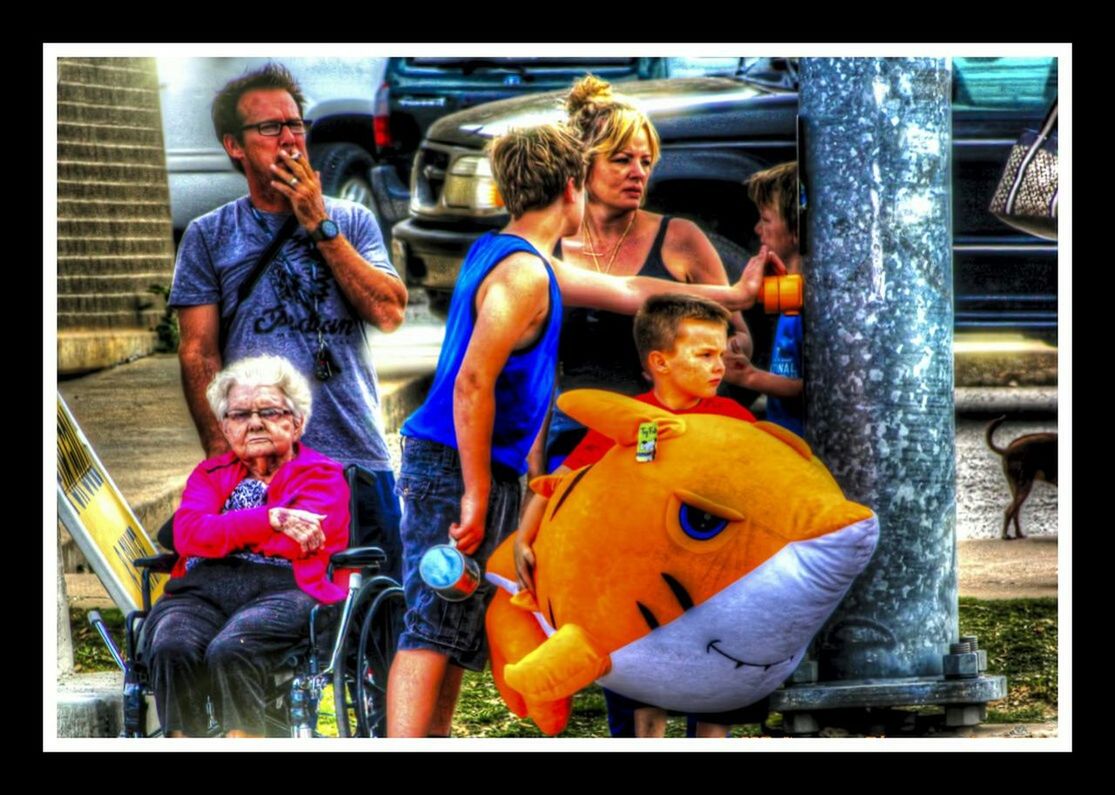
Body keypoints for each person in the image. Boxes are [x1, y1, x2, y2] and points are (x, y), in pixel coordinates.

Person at [386, 124, 779, 738]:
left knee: (456, 630)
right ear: (572, 188)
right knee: (430, 624)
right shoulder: (521, 277)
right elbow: (470, 384)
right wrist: (475, 492)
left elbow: (632, 290)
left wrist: (733, 293)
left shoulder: (519, 256)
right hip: (451, 462)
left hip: (479, 463)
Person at [167, 62, 407, 578]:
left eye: (296, 124)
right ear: (236, 145)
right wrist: (222, 456)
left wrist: (319, 223)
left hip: (357, 455)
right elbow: (198, 352)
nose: (290, 139)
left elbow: (388, 312)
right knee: (286, 610)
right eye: (271, 128)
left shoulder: (352, 220)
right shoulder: (210, 236)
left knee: (378, 610)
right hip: (268, 466)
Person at [514, 294, 765, 738]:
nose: (719, 366)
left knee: (712, 714)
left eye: (721, 354)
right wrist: (523, 539)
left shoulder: (736, 419)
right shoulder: (629, 421)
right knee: (645, 714)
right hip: (640, 596)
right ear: (660, 362)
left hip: (712, 591)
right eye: (705, 355)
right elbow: (562, 481)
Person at [537, 74, 759, 475]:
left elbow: (739, 335)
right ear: (582, 165)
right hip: (575, 426)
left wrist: (726, 352)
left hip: (659, 428)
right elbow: (537, 365)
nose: (638, 173)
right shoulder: (550, 246)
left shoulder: (680, 238)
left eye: (645, 161)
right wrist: (535, 458)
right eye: (622, 160)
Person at [141, 355, 351, 737]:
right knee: (172, 643)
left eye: (269, 411)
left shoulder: (323, 476)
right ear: (224, 426)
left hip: (286, 589)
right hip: (200, 591)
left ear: (297, 422)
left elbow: (302, 543)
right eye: (239, 415)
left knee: (234, 646)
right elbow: (185, 534)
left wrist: (220, 531)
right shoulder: (210, 474)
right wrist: (270, 519)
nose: (254, 423)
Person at [725, 162, 805, 435]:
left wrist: (748, 376)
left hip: (806, 443)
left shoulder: (819, 301)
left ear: (797, 230)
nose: (758, 229)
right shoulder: (790, 288)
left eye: (766, 219)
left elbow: (817, 388)